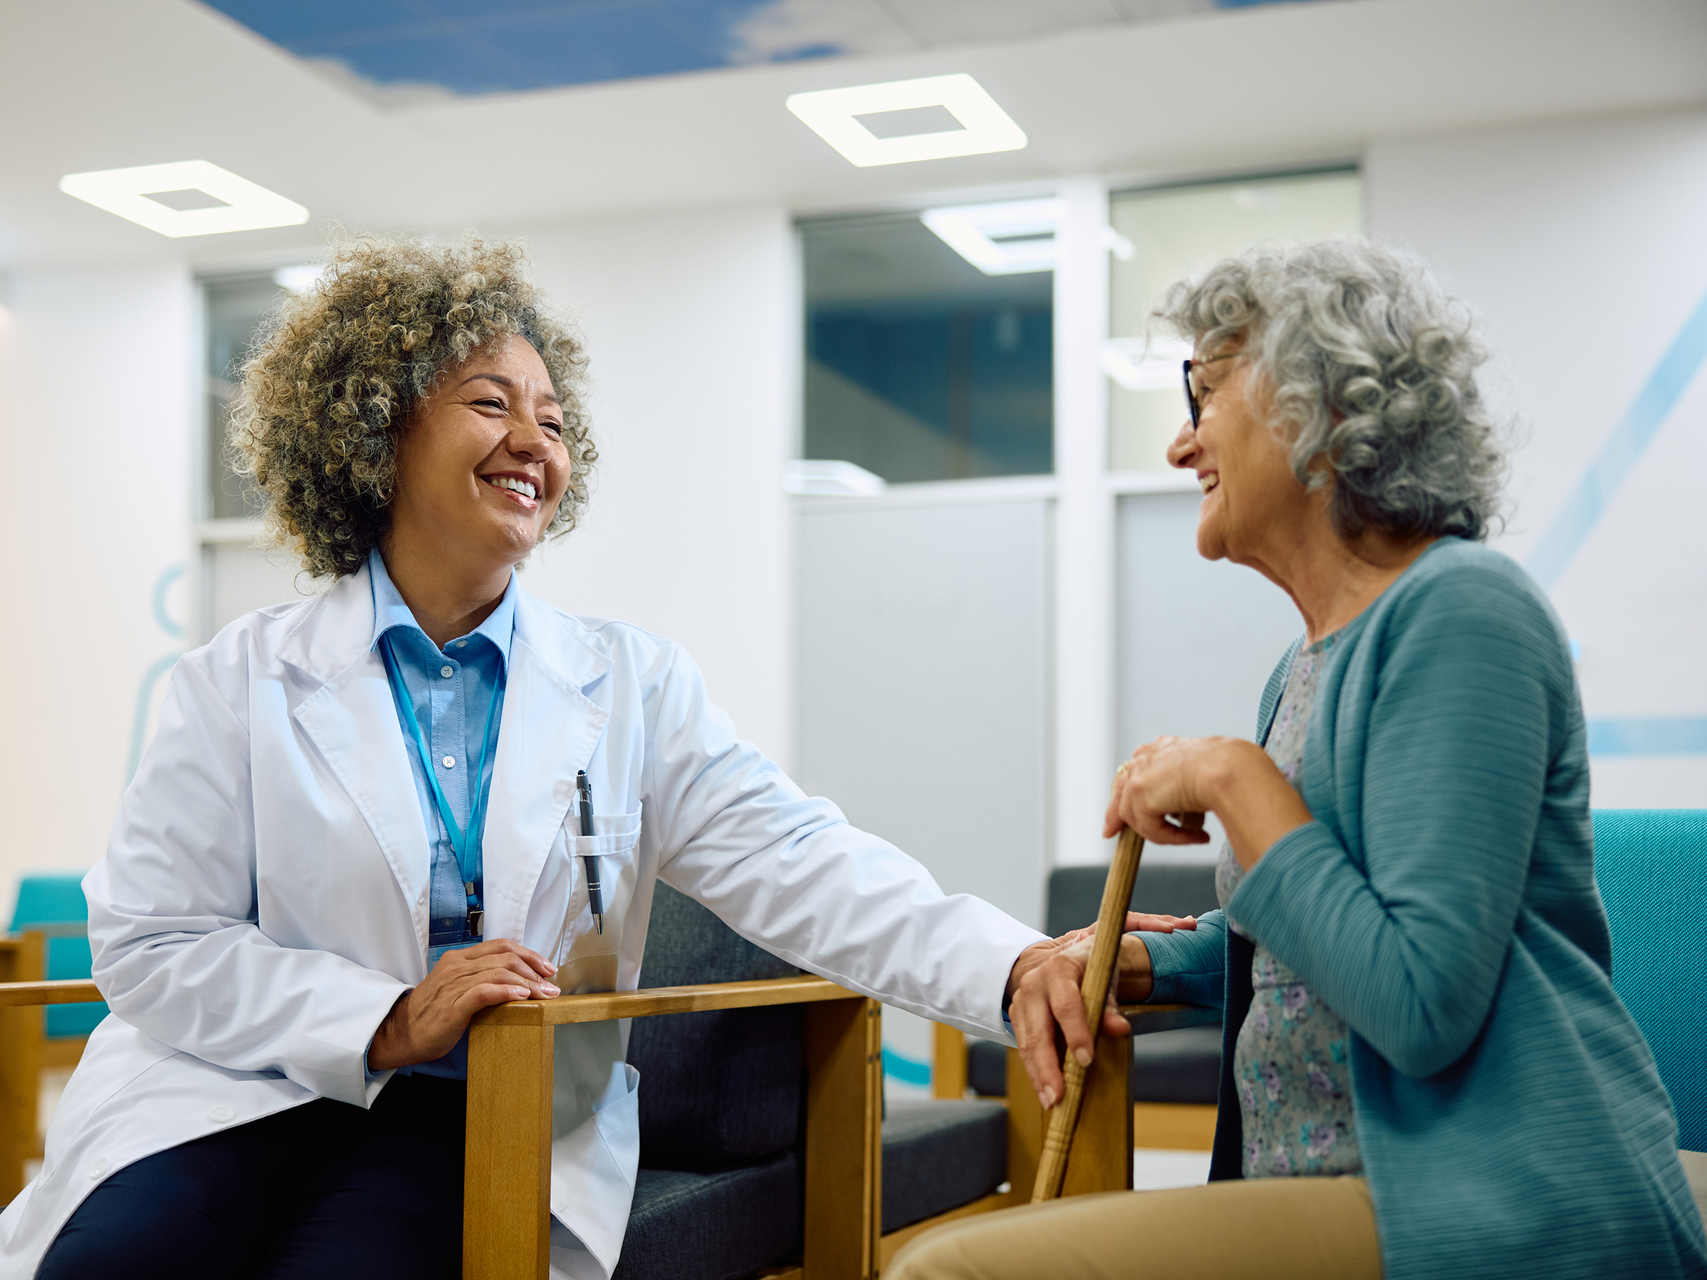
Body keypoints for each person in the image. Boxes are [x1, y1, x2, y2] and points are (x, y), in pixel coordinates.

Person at [0, 237, 1170, 1280]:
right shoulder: (238, 678)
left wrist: (1012, 961)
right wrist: (386, 1014)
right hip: (233, 1088)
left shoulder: (633, 686)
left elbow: (803, 859)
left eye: (554, 420)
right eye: (490, 402)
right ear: (378, 426)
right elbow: (154, 941)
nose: (534, 441)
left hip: (476, 1110)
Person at [889, 239, 1707, 1280]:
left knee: (950, 1271)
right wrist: (1153, 961)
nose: (1184, 446)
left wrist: (1235, 780)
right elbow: (1314, 937)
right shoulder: (1300, 669)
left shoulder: (1465, 612)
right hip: (1329, 1189)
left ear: (1320, 407)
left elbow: (1416, 1001)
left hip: (1482, 1199)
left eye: (1208, 393)